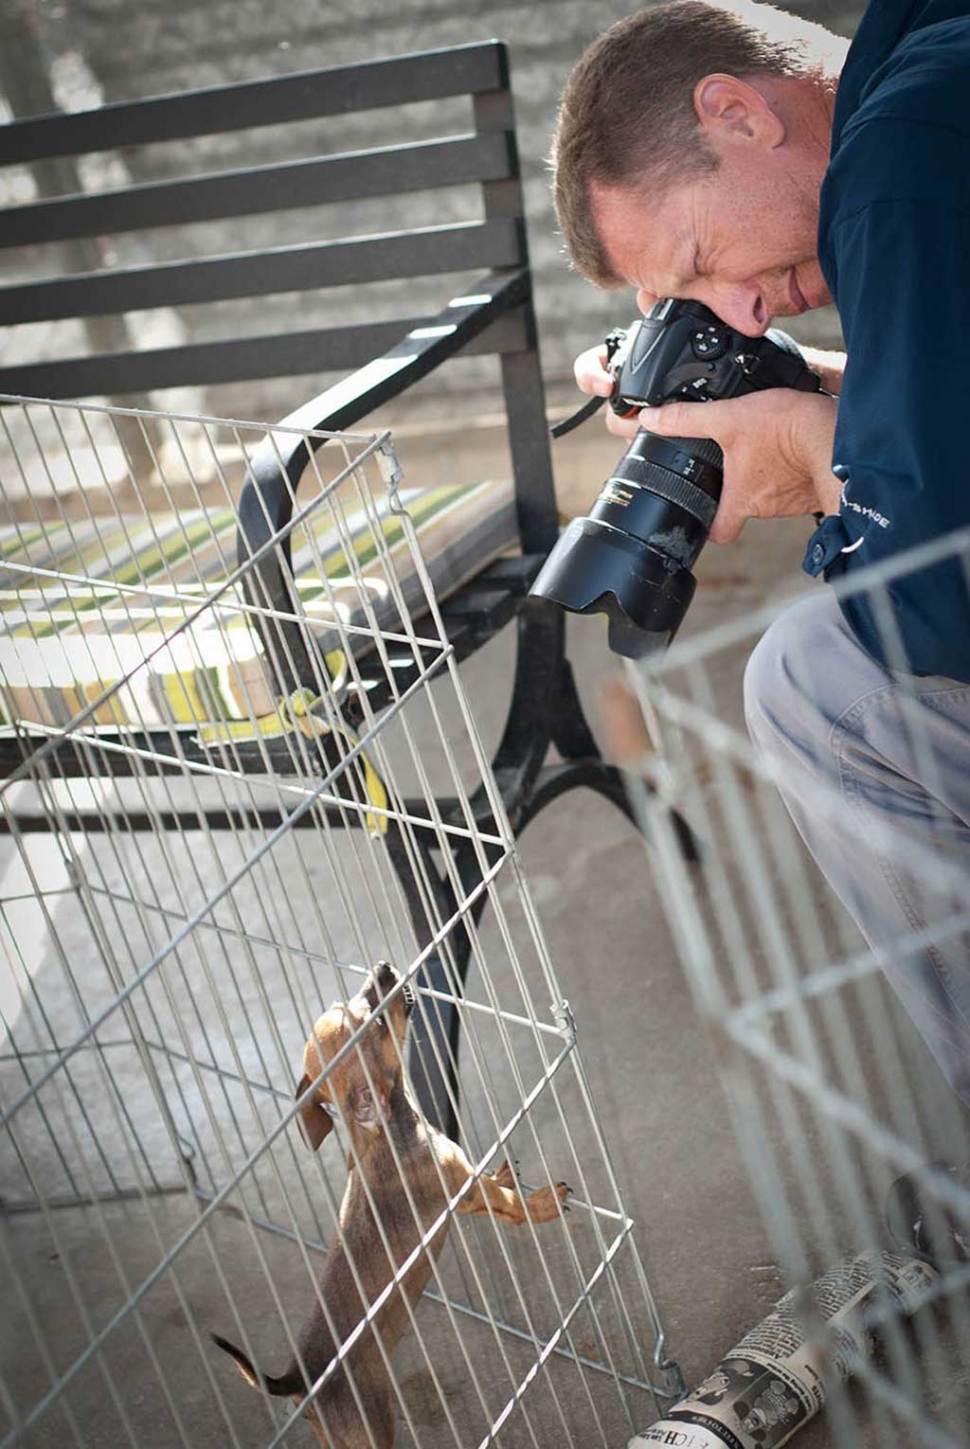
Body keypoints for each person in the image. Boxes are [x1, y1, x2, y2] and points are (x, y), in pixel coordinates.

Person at [552, 0, 970, 1265]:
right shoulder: (930, 70)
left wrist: (798, 451)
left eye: (695, 264)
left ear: (738, 112)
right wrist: (808, 396)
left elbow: (937, 601)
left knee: (822, 682)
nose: (732, 317)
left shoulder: (897, 165)